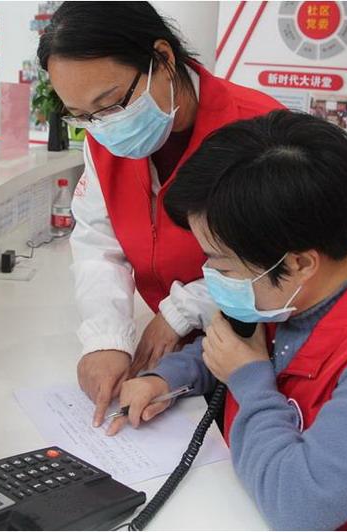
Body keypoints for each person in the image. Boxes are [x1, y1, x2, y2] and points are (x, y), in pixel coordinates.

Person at [108, 111, 347, 530]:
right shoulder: (287, 295)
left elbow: (298, 507)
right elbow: (231, 346)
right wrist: (165, 379)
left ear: (299, 264)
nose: (211, 275)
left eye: (222, 263)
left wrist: (249, 381)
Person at [37, 2, 283, 426]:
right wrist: (106, 338)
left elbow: (275, 261)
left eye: (111, 103)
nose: (103, 126)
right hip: (170, 369)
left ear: (163, 58)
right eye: (82, 116)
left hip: (257, 353)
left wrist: (179, 312)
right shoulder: (104, 140)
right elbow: (98, 242)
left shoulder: (262, 131)